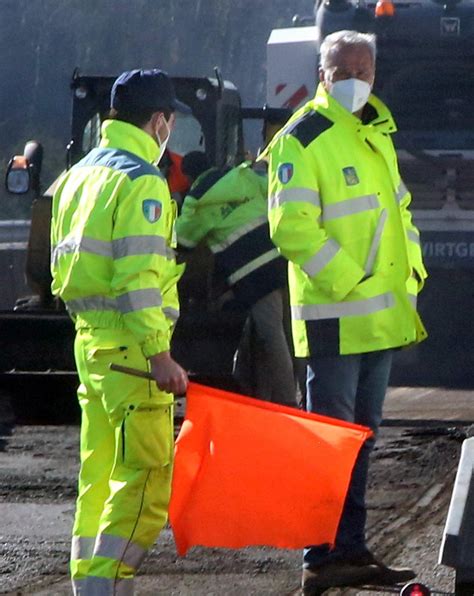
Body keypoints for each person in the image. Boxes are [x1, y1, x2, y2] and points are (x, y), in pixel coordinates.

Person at [262, 31, 427, 593]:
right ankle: (320, 554)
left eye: (364, 67)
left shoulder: (373, 132)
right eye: (342, 67)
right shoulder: (302, 138)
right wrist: (351, 279)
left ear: (376, 72)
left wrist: (413, 274)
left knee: (359, 438)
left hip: (376, 321)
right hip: (334, 319)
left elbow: (398, 213)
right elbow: (293, 229)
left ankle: (349, 551)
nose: (355, 77)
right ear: (322, 71)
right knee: (329, 442)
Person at [50, 69, 188, 595]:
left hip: (91, 345)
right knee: (146, 480)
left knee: (99, 475)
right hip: (132, 353)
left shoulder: (77, 176)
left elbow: (62, 270)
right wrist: (159, 354)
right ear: (159, 121)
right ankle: (107, 586)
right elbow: (137, 279)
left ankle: (89, 585)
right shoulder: (143, 182)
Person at [176, 151, 297, 407]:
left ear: (187, 176)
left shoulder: (196, 203)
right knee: (290, 334)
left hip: (254, 274)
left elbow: (184, 240)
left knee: (272, 338)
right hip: (286, 260)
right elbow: (276, 194)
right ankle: (270, 400)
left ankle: (287, 405)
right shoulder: (243, 176)